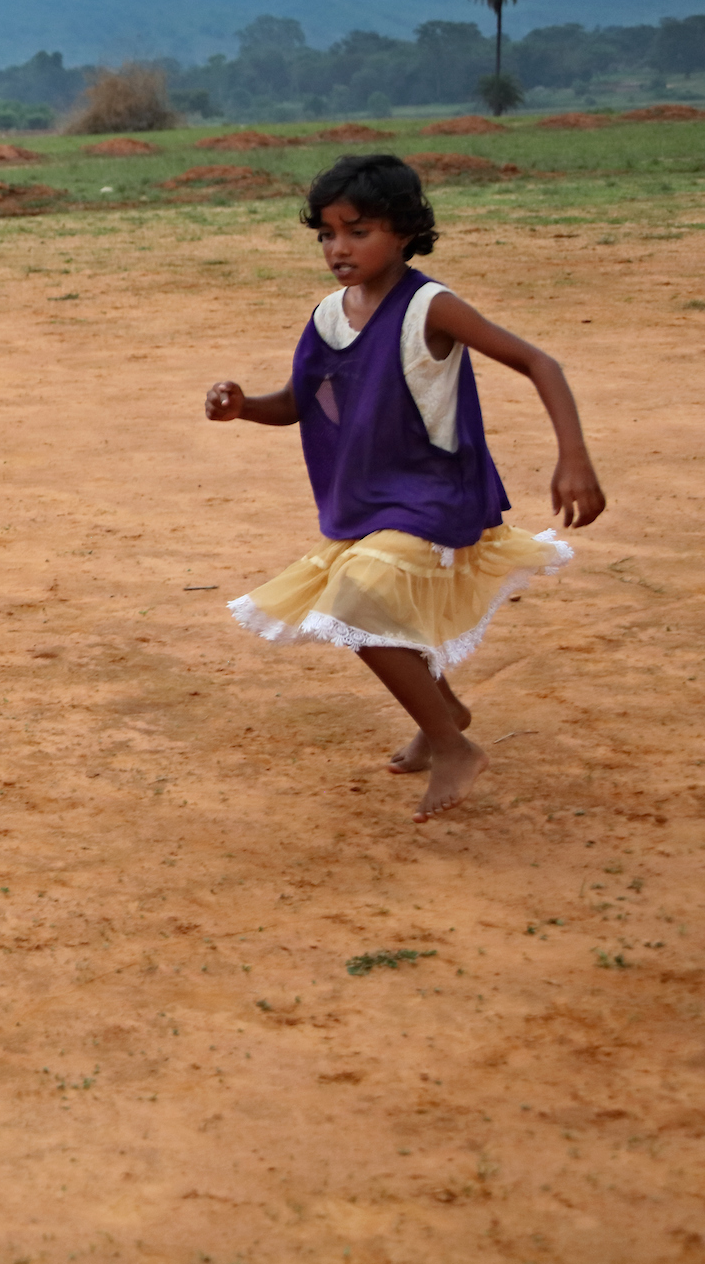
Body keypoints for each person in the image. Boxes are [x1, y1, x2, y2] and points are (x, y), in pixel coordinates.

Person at [207, 155, 605, 822]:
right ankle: (441, 708)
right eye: (327, 234)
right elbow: (299, 404)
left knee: (359, 596)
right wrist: (242, 405)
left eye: (357, 231)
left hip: (435, 494)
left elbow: (540, 361)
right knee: (373, 602)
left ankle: (454, 744)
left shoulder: (430, 306)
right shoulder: (329, 316)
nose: (338, 248)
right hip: (372, 501)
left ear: (404, 231)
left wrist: (574, 458)